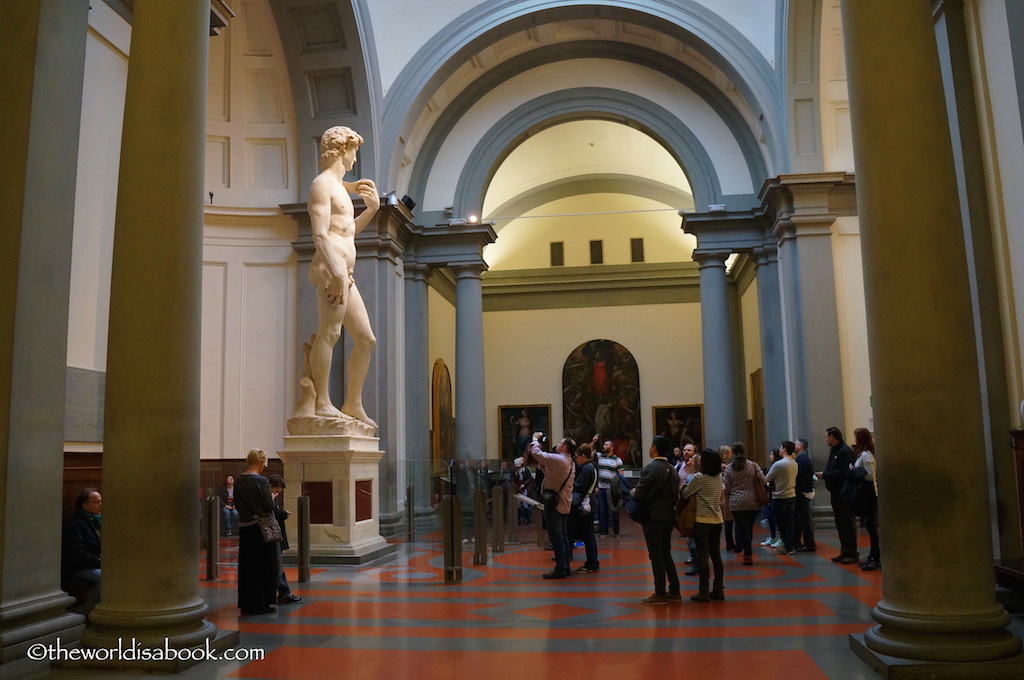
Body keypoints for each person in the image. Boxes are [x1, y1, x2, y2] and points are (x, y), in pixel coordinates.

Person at [306, 126, 380, 426]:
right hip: (329, 269)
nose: (355, 159)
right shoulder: (321, 185)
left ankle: (352, 403)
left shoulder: (340, 188)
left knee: (366, 339)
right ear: (341, 150)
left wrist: (372, 209)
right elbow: (320, 235)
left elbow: (348, 233)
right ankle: (322, 401)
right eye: (354, 152)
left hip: (344, 272)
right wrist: (336, 271)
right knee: (330, 332)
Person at [632, 435, 680, 604]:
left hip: (653, 517)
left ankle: (660, 593)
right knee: (666, 554)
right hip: (668, 516)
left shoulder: (651, 468)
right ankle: (675, 591)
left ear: (654, 448)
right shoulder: (673, 469)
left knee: (656, 556)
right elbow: (676, 494)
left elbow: (639, 495)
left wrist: (633, 493)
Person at [234, 448, 280, 615]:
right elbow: (268, 506)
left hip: (246, 527)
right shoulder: (261, 481)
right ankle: (261, 603)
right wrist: (273, 499)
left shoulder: (239, 481)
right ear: (262, 461)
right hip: (261, 528)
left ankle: (247, 603)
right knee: (263, 566)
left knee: (247, 567)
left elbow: (237, 505)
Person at [526, 432, 575, 579]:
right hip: (564, 501)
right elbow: (552, 473)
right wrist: (543, 467)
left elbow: (536, 453)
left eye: (560, 443)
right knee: (563, 535)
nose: (558, 445)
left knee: (557, 536)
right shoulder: (569, 461)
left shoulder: (561, 459)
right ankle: (565, 565)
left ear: (565, 447)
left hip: (556, 503)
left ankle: (561, 568)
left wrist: (534, 439)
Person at [681, 447, 725, 602]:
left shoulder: (699, 478)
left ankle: (704, 591)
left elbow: (686, 494)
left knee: (703, 556)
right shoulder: (719, 477)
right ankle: (718, 589)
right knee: (716, 555)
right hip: (717, 520)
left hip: (702, 520)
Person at [723, 444, 767, 565]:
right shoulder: (753, 465)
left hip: (736, 503)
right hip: (752, 501)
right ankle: (748, 553)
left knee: (743, 528)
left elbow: (726, 487)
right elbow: (763, 479)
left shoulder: (729, 468)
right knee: (748, 529)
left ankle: (747, 553)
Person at [822, 426, 859, 564]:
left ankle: (852, 552)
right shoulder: (834, 451)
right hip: (835, 492)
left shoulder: (845, 451)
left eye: (827, 436)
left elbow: (844, 472)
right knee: (840, 523)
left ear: (832, 436)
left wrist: (826, 475)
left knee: (847, 522)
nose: (825, 439)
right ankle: (844, 550)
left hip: (844, 492)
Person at [268, 474, 303, 605]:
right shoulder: (268, 499)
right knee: (277, 567)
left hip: (275, 535)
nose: (276, 494)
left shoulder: (270, 499)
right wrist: (283, 514)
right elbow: (272, 513)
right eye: (276, 491)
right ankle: (284, 593)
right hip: (273, 536)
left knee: (277, 566)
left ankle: (283, 592)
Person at [61, 488, 103, 591]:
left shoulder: (98, 521)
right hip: (79, 568)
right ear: (84, 505)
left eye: (101, 501)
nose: (101, 505)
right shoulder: (75, 524)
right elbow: (77, 554)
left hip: (97, 563)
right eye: (97, 502)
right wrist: (101, 562)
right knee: (105, 577)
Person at [851, 428, 881, 571]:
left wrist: (854, 471)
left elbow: (870, 476)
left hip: (868, 493)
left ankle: (875, 557)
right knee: (869, 526)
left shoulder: (866, 456)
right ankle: (872, 555)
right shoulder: (863, 455)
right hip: (865, 493)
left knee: (871, 527)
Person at [569, 443, 600, 573]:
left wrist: (570, 483)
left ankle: (592, 564)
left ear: (583, 456)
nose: (576, 460)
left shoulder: (586, 468)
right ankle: (591, 562)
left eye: (577, 457)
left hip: (587, 503)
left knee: (588, 535)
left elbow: (580, 486)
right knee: (588, 535)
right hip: (591, 501)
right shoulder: (590, 467)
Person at [766, 440, 798, 555]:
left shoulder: (779, 464)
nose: (779, 449)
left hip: (779, 496)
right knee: (789, 523)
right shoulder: (794, 462)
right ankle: (790, 546)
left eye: (780, 447)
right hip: (791, 495)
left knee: (781, 524)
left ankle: (786, 545)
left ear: (784, 449)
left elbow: (767, 478)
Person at [595, 437, 624, 537]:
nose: (604, 446)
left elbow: (621, 475)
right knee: (603, 510)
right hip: (602, 488)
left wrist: (619, 488)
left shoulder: (617, 460)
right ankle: (604, 531)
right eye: (604, 445)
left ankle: (616, 531)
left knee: (614, 510)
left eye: (606, 445)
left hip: (612, 490)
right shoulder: (600, 457)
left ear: (612, 447)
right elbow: (588, 452)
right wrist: (593, 441)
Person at [793, 438, 817, 552]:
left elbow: (800, 476)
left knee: (805, 519)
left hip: (802, 492)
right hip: (804, 491)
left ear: (801, 446)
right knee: (803, 519)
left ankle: (809, 543)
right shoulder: (802, 458)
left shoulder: (802, 459)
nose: (794, 445)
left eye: (796, 443)